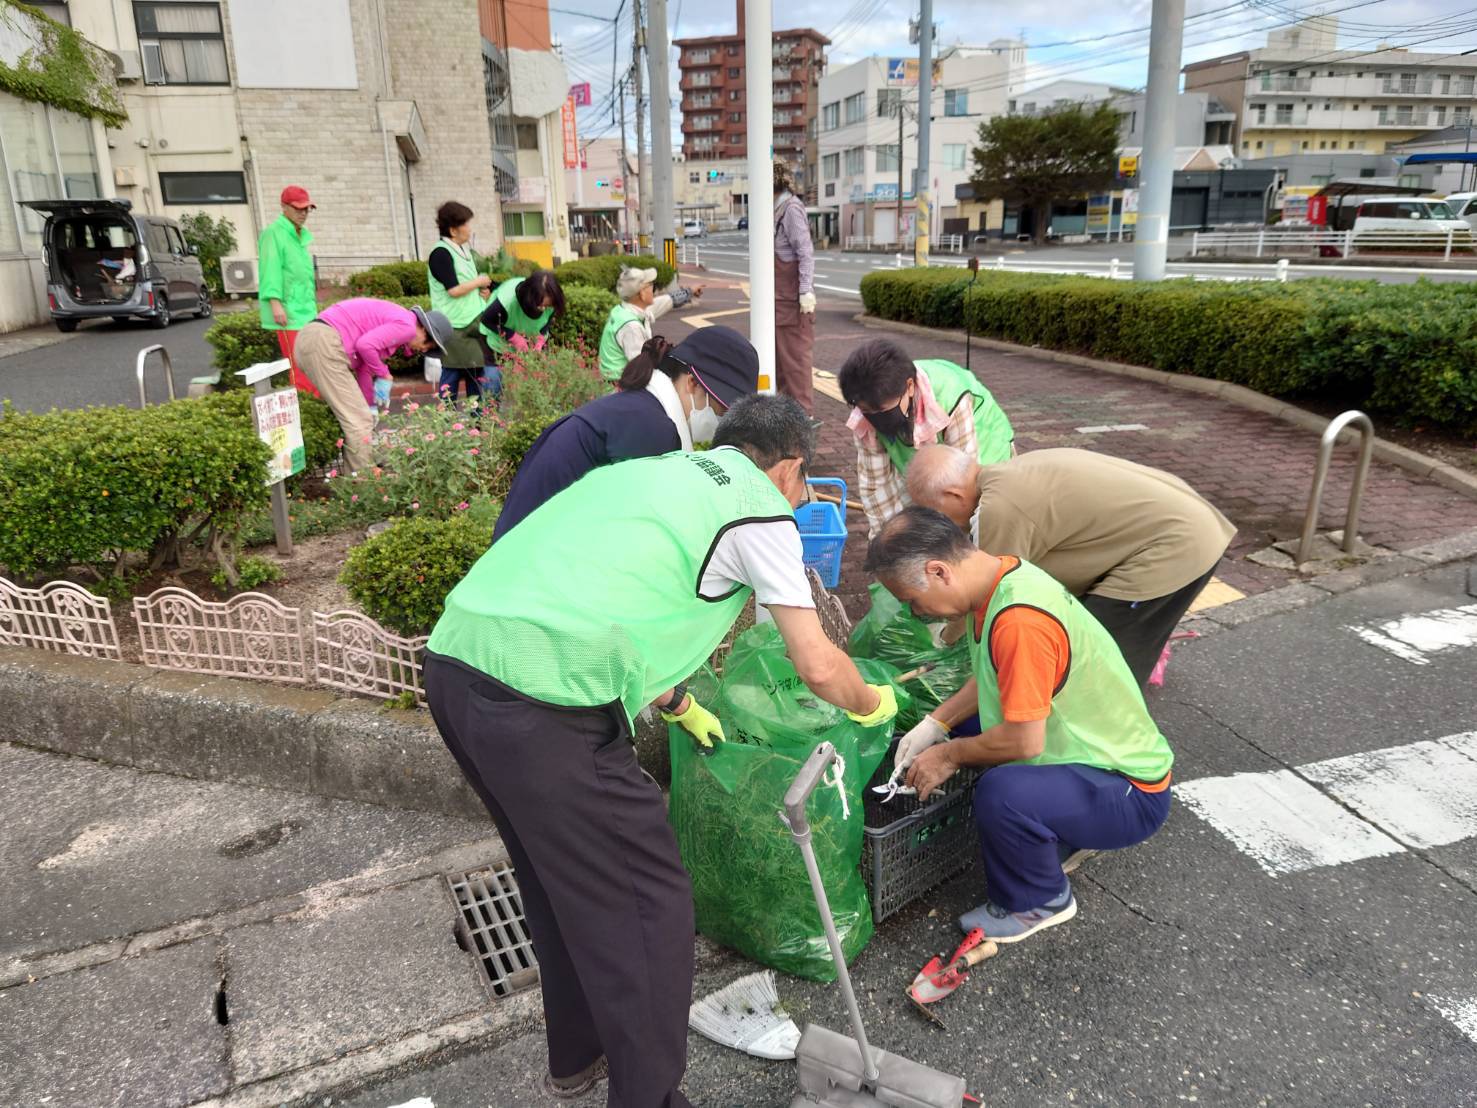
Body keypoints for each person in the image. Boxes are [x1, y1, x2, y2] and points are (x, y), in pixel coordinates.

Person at [423, 395, 898, 1106]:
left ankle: (576, 1059)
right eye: (801, 486)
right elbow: (819, 665)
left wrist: (677, 703)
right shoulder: (759, 506)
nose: (799, 500)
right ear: (790, 468)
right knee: (649, 907)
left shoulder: (652, 473)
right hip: (545, 703)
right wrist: (874, 703)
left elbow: (615, 589)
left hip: (455, 663)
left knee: (561, 883)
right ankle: (648, 1097)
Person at [866, 506, 1173, 943]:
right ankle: (1054, 826)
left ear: (938, 571)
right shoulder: (1003, 578)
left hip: (1129, 791)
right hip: (1098, 763)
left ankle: (1039, 900)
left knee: (1003, 793)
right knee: (970, 731)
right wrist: (936, 724)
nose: (916, 614)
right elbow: (994, 676)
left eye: (912, 601)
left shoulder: (1019, 620)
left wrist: (949, 753)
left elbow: (1026, 742)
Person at [905, 444, 1236, 687]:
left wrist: (943, 642)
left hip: (1174, 547)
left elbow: (983, 596)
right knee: (1085, 649)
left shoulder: (1000, 508)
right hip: (1186, 521)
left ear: (953, 494)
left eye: (935, 511)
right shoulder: (1010, 472)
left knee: (1100, 666)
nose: (939, 523)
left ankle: (1111, 765)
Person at [494, 326, 759, 542]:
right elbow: (641, 532)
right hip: (531, 558)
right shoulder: (653, 430)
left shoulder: (640, 409)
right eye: (720, 408)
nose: (721, 420)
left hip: (531, 545)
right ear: (692, 382)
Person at [837, 338, 1015, 538]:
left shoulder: (951, 395)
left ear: (910, 387)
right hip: (926, 447)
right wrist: (887, 540)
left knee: (979, 513)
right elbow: (876, 485)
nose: (875, 418)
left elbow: (965, 482)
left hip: (983, 441)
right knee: (916, 501)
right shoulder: (864, 415)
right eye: (867, 410)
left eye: (882, 410)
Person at [294, 299, 453, 473]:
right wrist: (384, 373)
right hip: (323, 342)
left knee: (361, 416)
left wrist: (370, 405)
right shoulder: (407, 325)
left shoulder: (397, 320)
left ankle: (363, 476)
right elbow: (365, 345)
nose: (423, 350)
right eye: (427, 344)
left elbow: (364, 369)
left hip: (314, 339)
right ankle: (360, 487)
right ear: (423, 328)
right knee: (358, 422)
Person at [427, 201, 495, 403]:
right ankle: (446, 427)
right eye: (466, 224)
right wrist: (479, 282)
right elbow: (454, 290)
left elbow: (465, 287)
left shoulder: (462, 251)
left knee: (476, 377)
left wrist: (482, 294)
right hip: (454, 326)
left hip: (472, 323)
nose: (469, 228)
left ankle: (478, 427)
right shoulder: (441, 253)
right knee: (451, 378)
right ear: (453, 229)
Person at [258, 185, 319, 396]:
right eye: (298, 209)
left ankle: (315, 408)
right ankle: (305, 411)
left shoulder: (300, 235)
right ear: (284, 207)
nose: (303, 214)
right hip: (287, 313)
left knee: (312, 363)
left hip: (306, 310)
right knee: (299, 366)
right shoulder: (273, 234)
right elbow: (270, 270)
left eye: (306, 209)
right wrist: (275, 304)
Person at [597, 265, 704, 381]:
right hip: (620, 387)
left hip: (621, 381)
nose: (653, 289)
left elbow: (666, 301)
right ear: (641, 294)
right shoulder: (631, 327)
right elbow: (642, 369)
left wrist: (689, 292)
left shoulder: (625, 310)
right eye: (650, 285)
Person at [477, 270, 566, 398]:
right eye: (540, 306)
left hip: (524, 339)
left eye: (548, 306)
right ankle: (488, 414)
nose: (544, 309)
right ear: (529, 298)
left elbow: (546, 322)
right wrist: (513, 337)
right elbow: (487, 320)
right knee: (494, 382)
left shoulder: (551, 300)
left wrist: (541, 339)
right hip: (495, 339)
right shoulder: (508, 301)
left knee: (533, 383)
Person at [773, 159, 816, 412]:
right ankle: (786, 426)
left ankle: (803, 429)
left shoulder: (790, 209)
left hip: (792, 304)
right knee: (780, 369)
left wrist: (805, 292)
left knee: (795, 370)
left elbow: (805, 252)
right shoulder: (776, 210)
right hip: (779, 303)